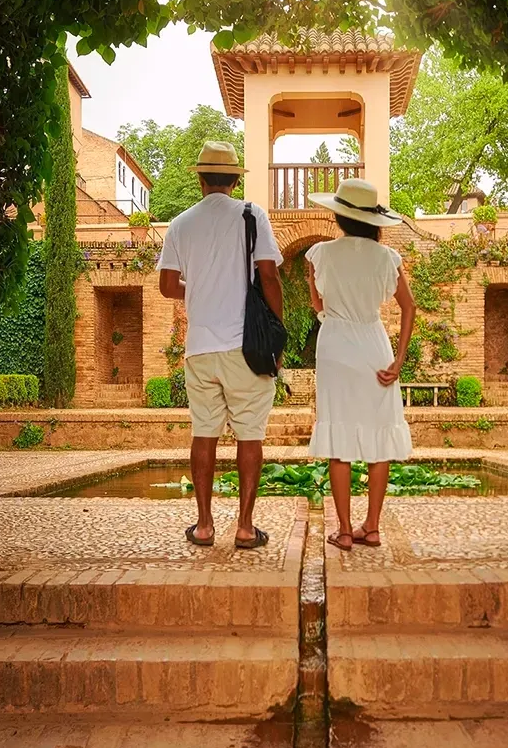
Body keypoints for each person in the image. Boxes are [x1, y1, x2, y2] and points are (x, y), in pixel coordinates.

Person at [158, 141, 284, 550]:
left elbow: (165, 286)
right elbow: (269, 276)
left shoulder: (180, 224)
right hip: (246, 345)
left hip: (200, 348)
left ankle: (205, 525)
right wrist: (277, 329)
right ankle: (246, 527)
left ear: (200, 179)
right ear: (234, 179)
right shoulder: (252, 215)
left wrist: (198, 290)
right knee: (250, 436)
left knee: (204, 433)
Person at [305, 177, 415, 550]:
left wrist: (333, 315)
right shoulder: (388, 258)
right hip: (374, 347)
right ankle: (373, 527)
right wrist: (399, 360)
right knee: (379, 439)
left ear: (339, 216)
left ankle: (346, 531)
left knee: (339, 440)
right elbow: (409, 307)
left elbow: (317, 305)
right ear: (373, 220)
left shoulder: (319, 253)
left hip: (335, 347)